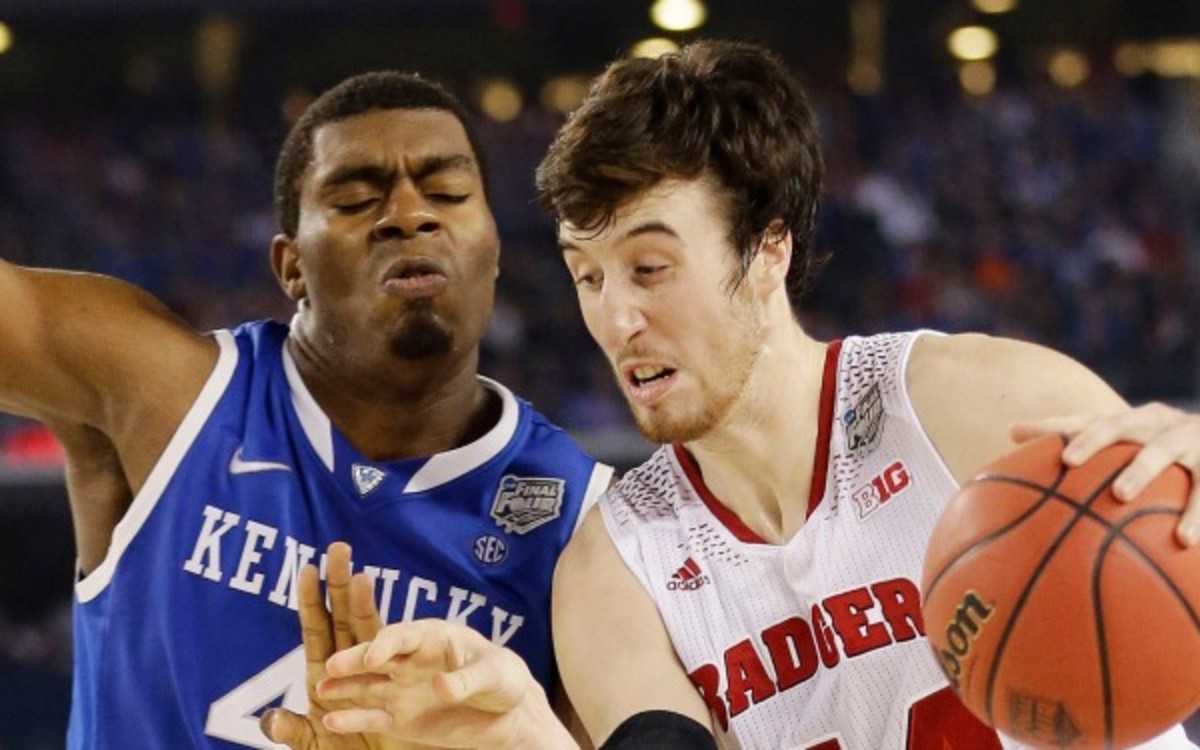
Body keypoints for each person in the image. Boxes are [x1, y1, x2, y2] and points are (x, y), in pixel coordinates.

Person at [296, 40, 1200, 749]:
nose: (618, 319)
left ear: (767, 251)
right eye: (588, 276)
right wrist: (525, 738)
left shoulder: (972, 405)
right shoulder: (615, 569)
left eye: (651, 268)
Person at [0, 70, 611, 749]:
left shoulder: (587, 523)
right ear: (291, 266)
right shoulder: (169, 392)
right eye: (355, 199)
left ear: (494, 249)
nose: (409, 214)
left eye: (447, 193)